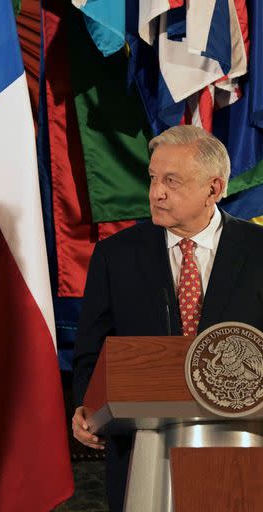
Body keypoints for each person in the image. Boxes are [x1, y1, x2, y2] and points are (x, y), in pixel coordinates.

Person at [71, 125, 263, 511]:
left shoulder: (258, 251)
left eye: (171, 182)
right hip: (143, 454)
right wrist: (83, 407)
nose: (156, 192)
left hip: (241, 454)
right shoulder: (116, 255)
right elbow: (91, 351)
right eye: (154, 178)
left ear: (213, 188)